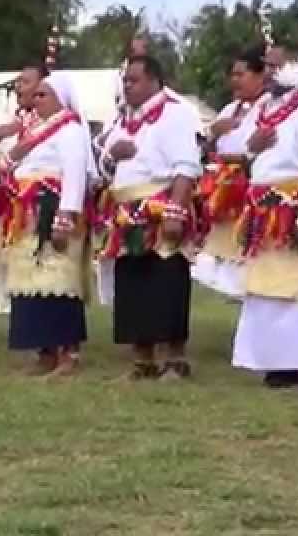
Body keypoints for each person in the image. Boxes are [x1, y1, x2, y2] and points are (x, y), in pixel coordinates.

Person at [231, 45, 298, 388]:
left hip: (294, 205)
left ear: (296, 67)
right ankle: (278, 363)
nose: (269, 72)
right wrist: (253, 145)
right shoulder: (262, 108)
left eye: (276, 66)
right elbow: (242, 150)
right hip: (263, 207)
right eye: (266, 66)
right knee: (266, 286)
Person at [94, 55, 201, 380]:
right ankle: (142, 361)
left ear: (155, 80)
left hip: (161, 205)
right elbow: (103, 167)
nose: (127, 86)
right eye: (125, 80)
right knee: (132, 285)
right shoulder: (123, 119)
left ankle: (175, 361)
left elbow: (187, 165)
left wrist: (176, 211)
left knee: (166, 281)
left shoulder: (175, 113)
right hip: (126, 210)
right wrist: (113, 157)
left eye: (134, 80)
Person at [1, 73, 95, 376]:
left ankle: (68, 354)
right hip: (27, 212)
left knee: (59, 279)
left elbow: (75, 173)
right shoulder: (34, 131)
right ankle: (44, 352)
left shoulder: (70, 130)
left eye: (44, 95)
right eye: (36, 95)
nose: (37, 99)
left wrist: (65, 216)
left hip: (53, 208)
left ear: (61, 99)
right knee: (29, 281)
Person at [195, 46, 267, 299]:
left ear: (261, 76)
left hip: (249, 189)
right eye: (232, 74)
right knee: (219, 264)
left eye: (241, 74)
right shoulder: (229, 110)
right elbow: (205, 148)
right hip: (222, 194)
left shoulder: (268, 109)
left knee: (246, 260)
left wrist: (237, 158)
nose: (234, 80)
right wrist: (214, 133)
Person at [0, 63, 49, 315]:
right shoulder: (15, 120)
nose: (19, 86)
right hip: (7, 193)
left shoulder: (50, 122)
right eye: (18, 81)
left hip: (34, 194)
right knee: (2, 248)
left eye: (25, 81)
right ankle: (5, 300)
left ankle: (29, 296)